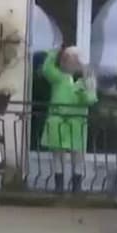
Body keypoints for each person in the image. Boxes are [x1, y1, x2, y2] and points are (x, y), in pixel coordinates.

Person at [40, 46, 98, 193]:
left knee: (77, 156)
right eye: (66, 59)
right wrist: (56, 52)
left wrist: (85, 88)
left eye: (72, 59)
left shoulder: (86, 80)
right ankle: (59, 186)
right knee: (57, 156)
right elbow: (46, 69)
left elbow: (91, 100)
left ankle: (76, 186)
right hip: (57, 121)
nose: (69, 62)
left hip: (77, 123)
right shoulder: (59, 77)